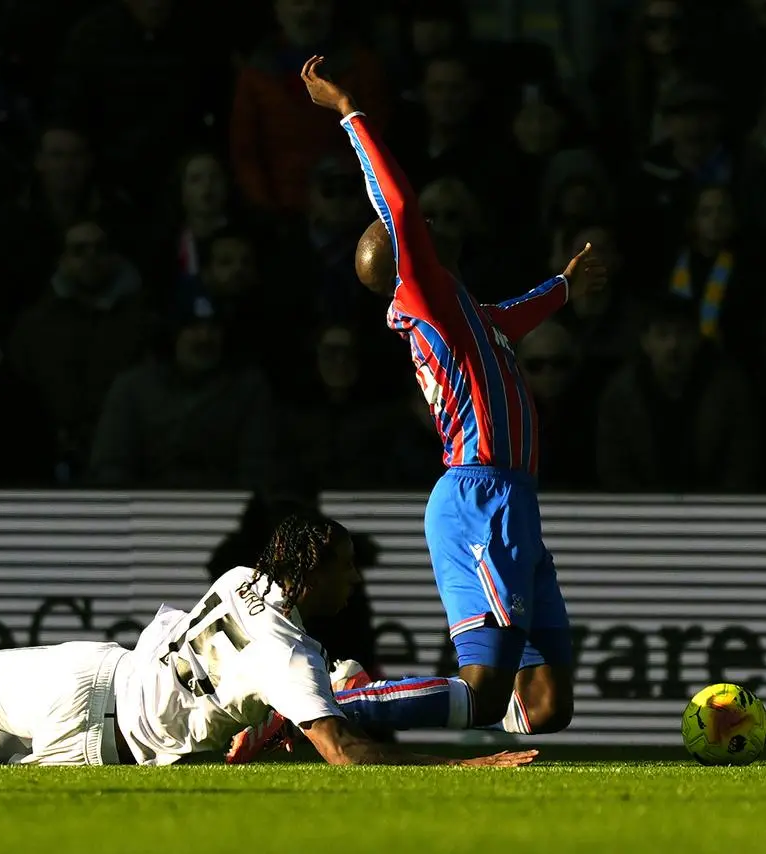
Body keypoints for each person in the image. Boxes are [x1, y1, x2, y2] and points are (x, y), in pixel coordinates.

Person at [227, 57, 608, 763]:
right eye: (421, 230)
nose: (429, 226)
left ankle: (399, 722)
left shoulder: (465, 315)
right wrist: (348, 110)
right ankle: (320, 711)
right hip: (478, 495)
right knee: (484, 692)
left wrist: (562, 286)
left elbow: (512, 319)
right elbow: (397, 207)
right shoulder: (422, 296)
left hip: (514, 500)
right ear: (405, 258)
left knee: (549, 707)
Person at [0, 510, 536, 769]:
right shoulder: (294, 655)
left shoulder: (243, 579)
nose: (357, 581)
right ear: (314, 575)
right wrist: (468, 763)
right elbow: (346, 752)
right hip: (113, 749)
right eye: (349, 568)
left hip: (94, 673)